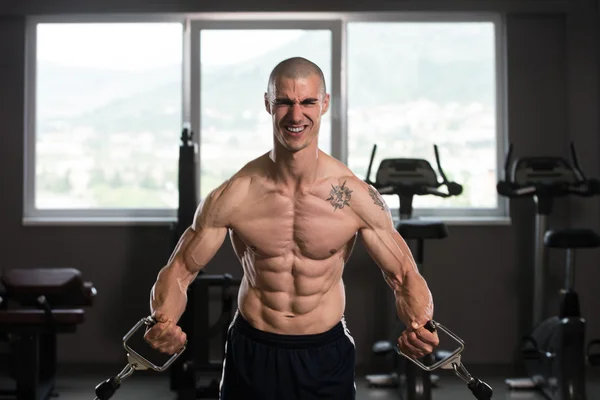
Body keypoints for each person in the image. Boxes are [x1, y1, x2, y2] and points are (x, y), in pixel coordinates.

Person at [144, 56, 439, 399]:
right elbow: (180, 268)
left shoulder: (355, 196)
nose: (296, 115)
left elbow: (403, 273)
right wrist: (162, 320)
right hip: (253, 349)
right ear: (268, 103)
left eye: (308, 102)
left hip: (324, 353)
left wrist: (422, 325)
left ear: (324, 104)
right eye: (284, 101)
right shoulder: (236, 194)